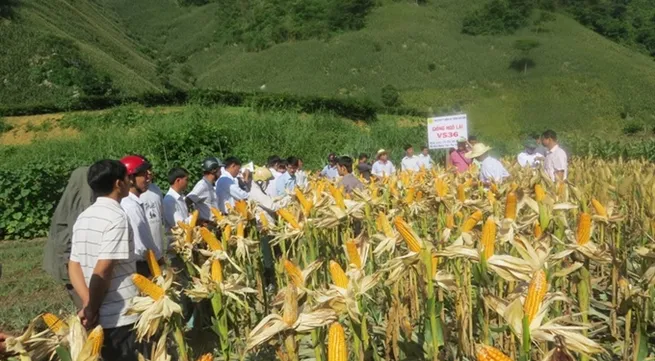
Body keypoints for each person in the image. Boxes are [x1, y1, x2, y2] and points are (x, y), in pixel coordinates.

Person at [68, 159, 147, 361]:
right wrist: (92, 308)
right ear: (118, 184)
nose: (130, 182)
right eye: (127, 178)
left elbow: (73, 265)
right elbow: (104, 269)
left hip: (99, 314)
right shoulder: (117, 218)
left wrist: (88, 304)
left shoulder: (84, 217)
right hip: (120, 315)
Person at [43, 166, 95, 310]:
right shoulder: (78, 207)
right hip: (69, 262)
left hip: (71, 261)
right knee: (86, 304)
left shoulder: (70, 202)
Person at [119, 155, 161, 277]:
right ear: (131, 178)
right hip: (141, 265)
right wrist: (159, 260)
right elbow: (143, 245)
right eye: (143, 174)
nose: (148, 178)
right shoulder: (131, 206)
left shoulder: (132, 202)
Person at [249, 167, 289, 291]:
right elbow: (272, 206)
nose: (268, 184)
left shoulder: (259, 192)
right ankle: (270, 283)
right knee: (268, 258)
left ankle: (277, 280)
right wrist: (289, 199)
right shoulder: (256, 193)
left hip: (270, 228)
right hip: (264, 229)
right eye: (267, 181)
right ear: (260, 182)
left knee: (277, 254)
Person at [133, 155, 164, 255]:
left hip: (157, 245)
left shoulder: (156, 189)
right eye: (145, 171)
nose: (149, 173)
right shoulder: (133, 196)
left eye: (149, 170)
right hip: (143, 252)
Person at [187, 157, 222, 222]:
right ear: (213, 170)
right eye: (219, 169)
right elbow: (187, 200)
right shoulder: (202, 185)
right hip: (207, 225)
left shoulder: (210, 185)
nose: (221, 173)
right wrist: (193, 218)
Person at [163, 167, 190, 234]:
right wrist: (194, 217)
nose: (188, 183)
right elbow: (179, 225)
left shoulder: (181, 197)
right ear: (178, 180)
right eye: (186, 180)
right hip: (177, 241)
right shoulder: (169, 200)